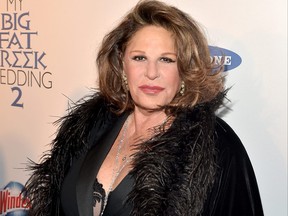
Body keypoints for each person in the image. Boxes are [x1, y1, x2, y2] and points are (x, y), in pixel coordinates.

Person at [25, 0, 264, 215]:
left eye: (166, 59)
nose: (151, 73)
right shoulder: (88, 128)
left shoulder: (214, 146)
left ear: (185, 70)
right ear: (121, 63)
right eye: (139, 58)